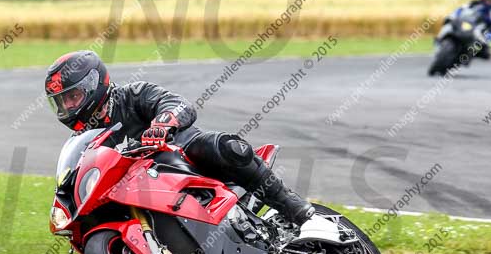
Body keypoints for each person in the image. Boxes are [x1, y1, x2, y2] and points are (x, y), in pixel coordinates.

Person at [44, 50, 339, 238]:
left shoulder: (134, 95)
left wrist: (163, 123)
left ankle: (301, 213)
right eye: (62, 102)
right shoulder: (83, 141)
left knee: (226, 147)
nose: (68, 106)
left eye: (72, 97)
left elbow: (178, 104)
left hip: (182, 156)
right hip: (143, 190)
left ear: (94, 84)